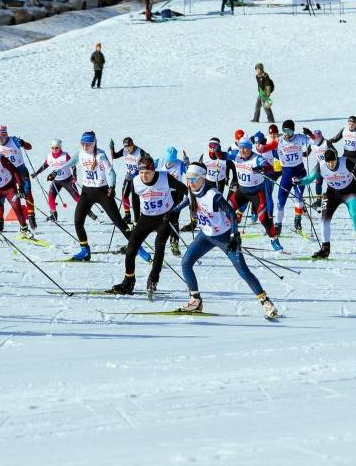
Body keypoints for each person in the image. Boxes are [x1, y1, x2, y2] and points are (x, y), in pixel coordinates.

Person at [174, 163, 278, 319]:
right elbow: (184, 203)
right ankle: (195, 300)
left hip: (225, 237)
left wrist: (234, 235)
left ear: (202, 178)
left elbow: (231, 214)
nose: (191, 182)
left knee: (243, 271)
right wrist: (171, 213)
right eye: (188, 179)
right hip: (206, 235)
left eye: (194, 178)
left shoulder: (213, 195)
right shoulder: (192, 192)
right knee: (186, 263)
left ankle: (266, 302)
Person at [110, 154, 188, 296]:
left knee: (159, 245)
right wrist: (136, 220)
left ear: (154, 171)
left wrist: (176, 209)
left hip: (164, 217)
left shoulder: (165, 177)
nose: (144, 176)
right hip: (146, 218)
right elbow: (135, 200)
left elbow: (186, 191)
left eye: (147, 173)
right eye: (141, 172)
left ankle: (153, 279)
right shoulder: (136, 181)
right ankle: (128, 282)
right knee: (131, 249)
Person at [65, 131, 139, 261]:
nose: (84, 146)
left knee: (119, 222)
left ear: (94, 143)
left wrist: (112, 187)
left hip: (102, 192)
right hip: (87, 193)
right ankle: (85, 251)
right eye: (82, 143)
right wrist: (55, 172)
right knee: (78, 221)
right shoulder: (80, 154)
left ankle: (137, 248)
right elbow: (69, 163)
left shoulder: (100, 155)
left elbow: (111, 172)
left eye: (88, 144)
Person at [300, 146, 356, 256]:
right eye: (328, 162)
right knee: (324, 220)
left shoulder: (346, 163)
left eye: (333, 161)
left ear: (337, 159)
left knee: (354, 215)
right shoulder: (321, 166)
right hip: (332, 194)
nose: (330, 164)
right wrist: (298, 181)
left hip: (349, 192)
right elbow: (309, 179)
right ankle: (325, 248)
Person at [0, 125, 36, 228]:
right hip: (5, 173)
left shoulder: (14, 140)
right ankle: (0, 221)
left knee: (26, 191)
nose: (0, 139)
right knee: (0, 197)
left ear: (6, 135)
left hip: (20, 170)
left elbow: (29, 147)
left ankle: (31, 215)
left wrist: (23, 143)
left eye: (2, 136)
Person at [272, 120, 310, 235]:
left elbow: (314, 142)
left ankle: (297, 220)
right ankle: (278, 225)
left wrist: (310, 135)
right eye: (285, 131)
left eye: (289, 131)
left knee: (299, 198)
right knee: (280, 201)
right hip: (287, 174)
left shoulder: (299, 138)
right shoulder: (279, 141)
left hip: (300, 172)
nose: (287, 134)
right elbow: (271, 151)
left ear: (293, 131)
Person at [33, 139, 80, 222]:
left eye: (56, 148)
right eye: (53, 148)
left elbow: (73, 166)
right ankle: (54, 215)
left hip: (67, 180)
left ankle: (88, 211)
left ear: (60, 147)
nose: (54, 149)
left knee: (76, 198)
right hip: (56, 181)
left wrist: (74, 176)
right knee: (50, 197)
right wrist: (36, 173)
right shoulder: (49, 156)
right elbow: (45, 165)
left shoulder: (65, 156)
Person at [327, 116, 356, 191]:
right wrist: (329, 141)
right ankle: (340, 190)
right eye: (349, 123)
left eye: (353, 124)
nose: (351, 125)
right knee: (339, 173)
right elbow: (336, 138)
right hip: (346, 155)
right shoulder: (344, 130)